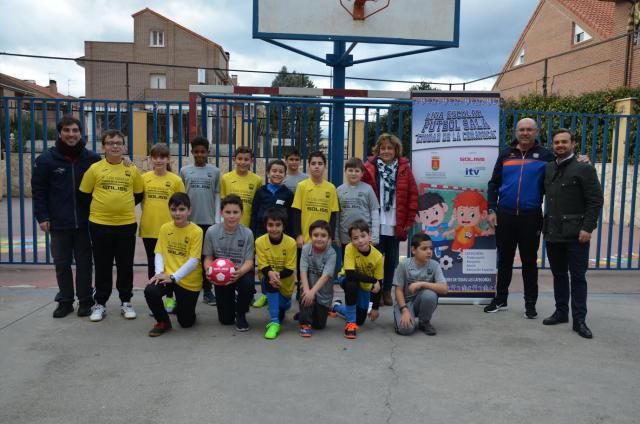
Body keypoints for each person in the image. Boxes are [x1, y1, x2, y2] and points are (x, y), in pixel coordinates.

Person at [483, 118, 588, 318]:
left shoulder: (546, 156)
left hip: (531, 216)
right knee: (504, 260)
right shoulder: (505, 154)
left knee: (529, 261)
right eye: (521, 129)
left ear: (536, 131)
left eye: (529, 129)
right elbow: (493, 184)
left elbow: (565, 167)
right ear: (516, 132)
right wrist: (491, 209)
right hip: (505, 215)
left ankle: (530, 304)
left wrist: (581, 159)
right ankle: (501, 299)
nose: (525, 133)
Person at [31, 115, 100, 318]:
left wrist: (126, 162)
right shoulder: (46, 159)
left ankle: (86, 300)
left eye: (75, 130)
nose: (71, 134)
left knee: (85, 264)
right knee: (61, 264)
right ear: (60, 133)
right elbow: (39, 190)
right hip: (58, 222)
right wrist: (42, 217)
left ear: (81, 133)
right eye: (67, 130)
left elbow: (107, 174)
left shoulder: (92, 159)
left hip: (86, 222)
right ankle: (66, 301)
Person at [542, 128, 603, 339]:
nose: (560, 145)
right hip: (553, 232)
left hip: (577, 234)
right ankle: (561, 312)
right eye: (557, 142)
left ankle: (579, 320)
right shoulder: (549, 168)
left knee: (578, 277)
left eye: (564, 142)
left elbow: (595, 201)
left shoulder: (584, 169)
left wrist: (588, 228)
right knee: (558, 276)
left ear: (573, 144)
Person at [79, 129, 143, 322]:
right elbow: (83, 195)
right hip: (99, 225)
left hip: (126, 225)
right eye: (110, 143)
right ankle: (100, 303)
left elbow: (139, 194)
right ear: (103, 147)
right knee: (102, 265)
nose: (115, 146)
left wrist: (122, 207)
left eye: (118, 143)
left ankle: (126, 301)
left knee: (125, 265)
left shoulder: (132, 169)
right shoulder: (95, 169)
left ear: (124, 146)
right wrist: (102, 209)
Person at [362, 133, 418, 307]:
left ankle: (387, 290)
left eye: (389, 148)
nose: (386, 151)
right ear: (378, 150)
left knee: (392, 259)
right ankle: (374, 291)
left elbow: (412, 195)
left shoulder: (404, 169)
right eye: (382, 148)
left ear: (396, 150)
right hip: (376, 220)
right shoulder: (369, 168)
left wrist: (408, 221)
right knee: (375, 258)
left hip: (395, 220)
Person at [144, 193, 203, 337]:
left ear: (189, 210)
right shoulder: (165, 228)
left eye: (182, 209)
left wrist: (174, 277)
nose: (177, 213)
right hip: (168, 277)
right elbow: (159, 252)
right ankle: (163, 322)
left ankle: (184, 307)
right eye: (173, 209)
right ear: (169, 210)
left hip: (187, 280)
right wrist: (159, 273)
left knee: (186, 322)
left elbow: (194, 261)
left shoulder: (197, 231)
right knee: (151, 290)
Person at [139, 143, 185, 313]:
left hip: (170, 230)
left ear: (168, 159)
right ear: (150, 159)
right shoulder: (144, 178)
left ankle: (170, 299)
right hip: (150, 228)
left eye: (162, 157)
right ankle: (156, 300)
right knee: (153, 265)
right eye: (155, 157)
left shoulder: (176, 180)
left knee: (171, 265)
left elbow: (182, 205)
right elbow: (140, 200)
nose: (159, 160)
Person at [202, 195, 255, 331]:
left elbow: (249, 261)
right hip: (221, 275)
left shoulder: (247, 233)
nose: (232, 216)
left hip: (240, 271)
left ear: (241, 214)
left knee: (247, 284)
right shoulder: (212, 232)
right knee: (226, 320)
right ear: (221, 213)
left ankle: (242, 313)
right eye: (228, 212)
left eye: (235, 212)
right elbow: (207, 257)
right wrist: (209, 270)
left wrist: (239, 273)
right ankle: (232, 303)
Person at [180, 136, 220, 307]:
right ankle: (185, 288)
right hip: (189, 222)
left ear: (208, 152)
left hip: (208, 221)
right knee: (189, 257)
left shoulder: (215, 172)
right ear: (192, 152)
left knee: (207, 257)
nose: (199, 155)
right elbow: (181, 196)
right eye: (196, 152)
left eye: (203, 152)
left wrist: (217, 219)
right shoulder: (184, 171)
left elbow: (217, 195)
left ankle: (208, 290)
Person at [250, 159, 294, 308]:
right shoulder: (261, 191)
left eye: (281, 171)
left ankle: (277, 295)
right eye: (274, 171)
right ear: (268, 173)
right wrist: (253, 234)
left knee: (277, 265)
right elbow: (254, 213)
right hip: (262, 234)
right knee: (264, 267)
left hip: (280, 236)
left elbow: (290, 215)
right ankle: (264, 294)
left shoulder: (287, 193)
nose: (277, 174)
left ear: (285, 175)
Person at [333, 219, 383, 339]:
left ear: (369, 235)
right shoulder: (349, 248)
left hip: (364, 285)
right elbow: (350, 274)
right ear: (351, 240)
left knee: (360, 319)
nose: (360, 241)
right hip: (346, 278)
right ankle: (350, 324)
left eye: (363, 236)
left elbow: (378, 283)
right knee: (352, 284)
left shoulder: (378, 257)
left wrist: (375, 308)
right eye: (355, 238)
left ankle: (336, 307)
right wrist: (372, 280)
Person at [393, 233, 448, 336]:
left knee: (430, 294)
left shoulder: (434, 265)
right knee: (406, 330)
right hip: (404, 304)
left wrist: (422, 284)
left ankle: (424, 322)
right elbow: (398, 290)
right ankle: (400, 316)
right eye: (424, 249)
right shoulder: (403, 265)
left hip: (420, 302)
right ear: (413, 250)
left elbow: (444, 288)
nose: (429, 252)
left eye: (431, 249)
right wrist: (404, 310)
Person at [255, 208, 297, 339]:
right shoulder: (259, 241)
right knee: (269, 281)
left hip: (285, 284)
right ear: (265, 226)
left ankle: (278, 301)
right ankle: (274, 322)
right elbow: (263, 265)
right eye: (270, 225)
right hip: (269, 279)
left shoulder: (291, 242)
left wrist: (276, 275)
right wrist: (271, 275)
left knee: (283, 306)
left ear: (283, 226)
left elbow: (290, 269)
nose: (274, 229)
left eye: (278, 225)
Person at [291, 150, 340, 247]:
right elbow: (296, 212)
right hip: (306, 240)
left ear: (325, 166)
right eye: (313, 163)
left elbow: (333, 215)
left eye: (320, 163)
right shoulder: (301, 186)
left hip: (324, 240)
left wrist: (331, 237)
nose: (317, 166)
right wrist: (298, 235)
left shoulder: (331, 188)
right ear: (309, 166)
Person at [298, 220, 337, 337]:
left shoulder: (332, 253)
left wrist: (313, 292)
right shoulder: (305, 249)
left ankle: (305, 314)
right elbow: (303, 271)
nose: (319, 239)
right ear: (310, 236)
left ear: (329, 238)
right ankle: (305, 323)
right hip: (309, 287)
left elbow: (326, 276)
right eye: (316, 235)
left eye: (323, 235)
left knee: (319, 325)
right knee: (304, 293)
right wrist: (307, 290)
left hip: (323, 293)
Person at [336, 157, 380, 253]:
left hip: (363, 238)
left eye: (357, 171)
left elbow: (375, 213)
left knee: (364, 266)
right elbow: (337, 215)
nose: (353, 173)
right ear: (345, 172)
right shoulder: (339, 190)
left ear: (362, 173)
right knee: (348, 265)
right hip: (346, 237)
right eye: (350, 170)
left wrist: (375, 236)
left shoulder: (368, 189)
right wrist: (337, 236)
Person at [220, 145, 262, 228]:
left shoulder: (257, 180)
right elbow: (222, 202)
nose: (242, 162)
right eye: (240, 159)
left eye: (246, 159)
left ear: (251, 161)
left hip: (248, 224)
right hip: (229, 223)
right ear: (234, 160)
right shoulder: (225, 178)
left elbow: (257, 204)